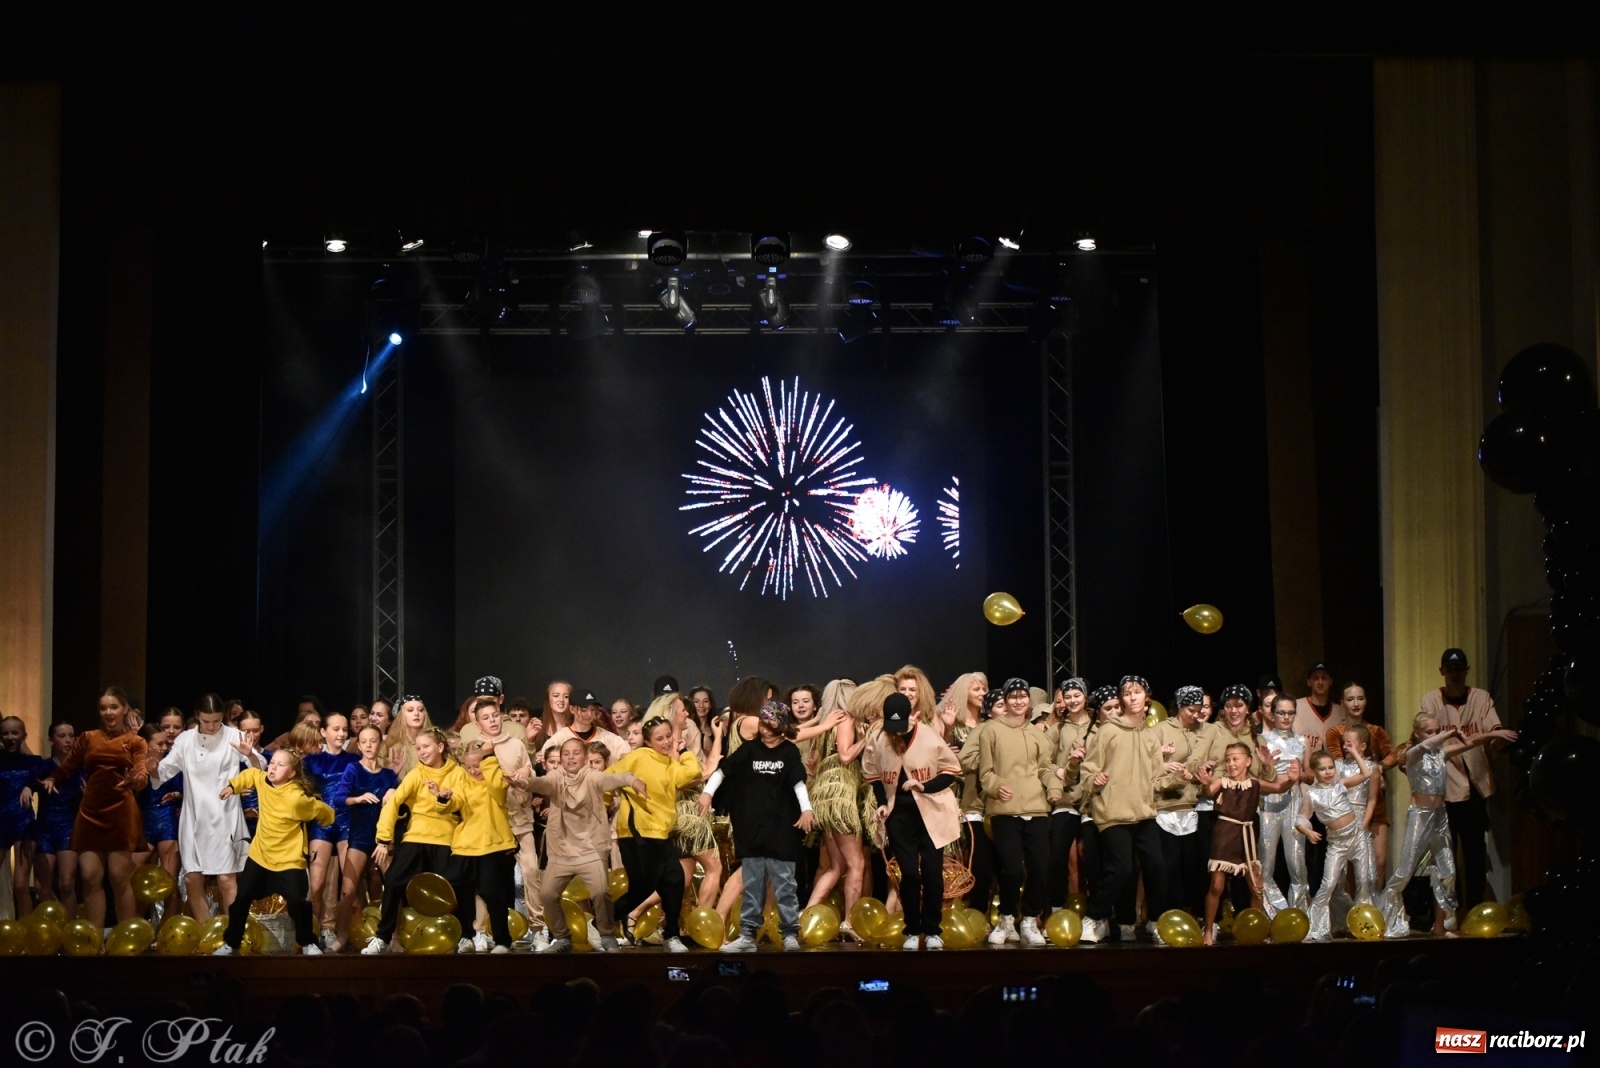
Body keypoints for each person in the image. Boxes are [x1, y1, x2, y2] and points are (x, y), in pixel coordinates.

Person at [1379, 714, 1516, 938]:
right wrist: (1450, 733)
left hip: (1440, 816)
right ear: (1418, 734)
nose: (1435, 735)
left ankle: (1440, 926)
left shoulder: (1439, 754)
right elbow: (1427, 745)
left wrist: (1494, 733)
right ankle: (1386, 915)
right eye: (1430, 731)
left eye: (1437, 730)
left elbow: (1470, 743)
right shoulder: (1413, 755)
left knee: (1447, 872)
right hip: (1420, 817)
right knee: (1406, 871)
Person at [697, 701, 814, 952]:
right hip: (751, 827)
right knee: (752, 884)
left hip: (782, 829)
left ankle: (790, 934)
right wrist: (707, 793)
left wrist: (807, 809)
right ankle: (748, 935)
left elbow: (798, 782)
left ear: (781, 727)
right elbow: (722, 771)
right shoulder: (749, 750)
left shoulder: (789, 753)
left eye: (770, 724)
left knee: (785, 884)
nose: (764, 728)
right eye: (762, 722)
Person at [43, 687, 149, 930]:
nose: (108, 712)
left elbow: (142, 774)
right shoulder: (88, 737)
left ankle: (127, 937)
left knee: (119, 877)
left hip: (121, 812)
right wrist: (52, 779)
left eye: (113, 707)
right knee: (90, 877)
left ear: (124, 710)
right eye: (103, 708)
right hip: (90, 813)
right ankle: (95, 941)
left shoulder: (135, 741)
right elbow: (68, 766)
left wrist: (135, 780)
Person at [527, 737, 646, 952]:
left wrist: (631, 780)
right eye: (566, 753)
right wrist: (524, 782)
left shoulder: (591, 776)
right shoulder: (556, 777)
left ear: (585, 758)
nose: (571, 757)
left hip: (591, 848)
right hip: (562, 850)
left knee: (601, 892)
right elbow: (542, 783)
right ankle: (563, 938)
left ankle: (607, 935)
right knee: (547, 894)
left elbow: (609, 780)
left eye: (576, 753)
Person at [863, 692, 961, 950]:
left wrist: (924, 785)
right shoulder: (878, 737)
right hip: (899, 816)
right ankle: (911, 929)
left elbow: (951, 771)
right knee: (908, 874)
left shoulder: (928, 736)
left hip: (931, 813)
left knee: (932, 875)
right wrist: (883, 803)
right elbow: (872, 775)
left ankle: (932, 930)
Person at [215, 749, 336, 955]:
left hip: (289, 860)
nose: (273, 768)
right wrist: (232, 786)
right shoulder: (263, 782)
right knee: (241, 898)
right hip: (260, 856)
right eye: (272, 763)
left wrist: (328, 818)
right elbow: (251, 774)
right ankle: (232, 943)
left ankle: (307, 942)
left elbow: (322, 810)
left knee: (298, 903)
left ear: (291, 773)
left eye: (280, 765)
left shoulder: (296, 798)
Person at [365, 726, 473, 954]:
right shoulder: (416, 773)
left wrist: (442, 798)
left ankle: (466, 935)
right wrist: (383, 839)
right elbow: (393, 805)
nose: (422, 752)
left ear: (440, 747)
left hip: (445, 838)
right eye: (419, 747)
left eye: (426, 747)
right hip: (416, 836)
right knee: (393, 881)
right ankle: (383, 937)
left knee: (456, 883)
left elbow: (460, 803)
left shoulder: (458, 774)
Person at [969, 677, 1058, 945]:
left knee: (1040, 868)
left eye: (1022, 696)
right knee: (1011, 870)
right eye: (1013, 696)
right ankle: (1006, 918)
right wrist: (997, 787)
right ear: (1005, 701)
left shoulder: (1037, 734)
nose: (1018, 701)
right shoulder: (991, 730)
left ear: (1029, 701)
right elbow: (985, 773)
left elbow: (1045, 768)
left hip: (1036, 809)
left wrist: (1054, 786)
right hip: (1004, 810)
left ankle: (1029, 920)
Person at [1076, 676, 1165, 944]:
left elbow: (1158, 779)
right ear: (1122, 699)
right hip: (1113, 812)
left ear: (1146, 696)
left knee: (1157, 867)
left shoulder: (1150, 736)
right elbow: (1089, 769)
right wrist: (1095, 779)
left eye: (1137, 692)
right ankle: (1094, 917)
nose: (1132, 697)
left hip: (1144, 812)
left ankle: (1156, 921)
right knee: (1121, 870)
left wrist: (1184, 776)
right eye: (1127, 693)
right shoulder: (1107, 731)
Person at [1420, 648, 1504, 913]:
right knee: (1445, 855)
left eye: (1459, 669)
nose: (1454, 674)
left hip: (1474, 787)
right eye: (1450, 669)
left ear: (1466, 670)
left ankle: (1475, 910)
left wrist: (1500, 738)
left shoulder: (1480, 698)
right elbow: (1425, 738)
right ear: (1442, 671)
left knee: (1475, 853)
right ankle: (1446, 915)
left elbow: (1495, 730)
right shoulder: (1431, 701)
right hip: (1443, 789)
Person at [610, 715, 702, 952]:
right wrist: (604, 804)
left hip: (661, 834)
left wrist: (683, 750)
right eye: (659, 738)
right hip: (638, 832)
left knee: (674, 881)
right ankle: (602, 920)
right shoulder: (639, 756)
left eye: (668, 736)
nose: (666, 742)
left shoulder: (671, 764)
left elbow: (692, 773)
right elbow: (608, 777)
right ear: (648, 742)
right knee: (643, 887)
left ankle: (671, 935)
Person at [1196, 742, 1300, 944]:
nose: (1231, 764)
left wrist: (1291, 780)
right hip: (1225, 836)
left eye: (1235, 759)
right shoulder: (1222, 781)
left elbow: (1279, 787)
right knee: (1217, 886)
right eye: (1227, 760)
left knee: (1256, 887)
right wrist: (1205, 782)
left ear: (1248, 761)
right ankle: (1208, 930)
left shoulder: (1255, 783)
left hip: (1247, 836)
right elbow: (1208, 791)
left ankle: (1256, 931)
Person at [804, 678, 869, 934]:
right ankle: (850, 922)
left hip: (823, 797)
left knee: (836, 865)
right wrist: (867, 738)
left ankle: (807, 914)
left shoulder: (825, 725)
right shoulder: (846, 719)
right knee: (857, 863)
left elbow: (814, 765)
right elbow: (844, 755)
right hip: (840, 796)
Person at [443, 740, 517, 953]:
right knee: (455, 885)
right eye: (470, 766)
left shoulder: (495, 780)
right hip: (466, 844)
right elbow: (455, 802)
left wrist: (489, 759)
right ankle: (466, 935)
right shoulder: (463, 781)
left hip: (492, 843)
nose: (474, 771)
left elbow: (498, 788)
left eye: (478, 765)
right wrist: (444, 798)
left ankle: (502, 940)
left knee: (491, 892)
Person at [329, 725, 398, 951]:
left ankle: (394, 937)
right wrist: (357, 799)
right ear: (359, 745)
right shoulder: (354, 769)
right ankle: (341, 936)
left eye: (373, 741)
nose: (369, 746)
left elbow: (400, 804)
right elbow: (339, 798)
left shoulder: (389, 775)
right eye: (364, 742)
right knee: (348, 891)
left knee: (393, 887)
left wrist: (394, 791)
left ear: (380, 744)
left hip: (383, 840)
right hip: (359, 837)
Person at [1297, 750, 1378, 941]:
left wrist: (1355, 753)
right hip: (1337, 842)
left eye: (1331, 767)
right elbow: (1301, 818)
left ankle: (1364, 926)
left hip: (1356, 836)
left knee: (1363, 880)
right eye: (1322, 769)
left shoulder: (1340, 784)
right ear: (1315, 772)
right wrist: (1307, 831)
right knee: (1328, 884)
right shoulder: (1312, 794)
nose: (1328, 772)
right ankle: (1316, 928)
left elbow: (1366, 774)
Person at [1153, 685, 1216, 920]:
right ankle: (1167, 916)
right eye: (1191, 710)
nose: (1195, 715)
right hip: (1165, 807)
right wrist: (1163, 764)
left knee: (1193, 868)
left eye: (1199, 710)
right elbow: (1145, 765)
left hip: (1193, 807)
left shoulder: (1205, 731)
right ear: (1180, 706)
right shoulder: (1161, 729)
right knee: (1168, 868)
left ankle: (1194, 915)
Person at [1325, 682, 1393, 883]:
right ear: (1342, 703)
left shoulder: (1376, 730)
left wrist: (1378, 768)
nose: (1356, 703)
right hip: (1348, 805)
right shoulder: (1335, 732)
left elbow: (1393, 754)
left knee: (1379, 862)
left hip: (1374, 803)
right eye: (1350, 699)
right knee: (1349, 867)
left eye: (1360, 698)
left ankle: (1377, 910)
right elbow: (1337, 762)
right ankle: (1350, 912)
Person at [303, 712, 357, 939]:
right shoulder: (311, 761)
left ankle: (348, 932)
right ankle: (313, 931)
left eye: (344, 729)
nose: (341, 733)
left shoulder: (354, 760)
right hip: (321, 825)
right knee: (316, 885)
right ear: (323, 732)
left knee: (350, 886)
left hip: (347, 824)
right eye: (336, 729)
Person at [1257, 695, 1310, 918]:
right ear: (1272, 713)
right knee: (1266, 864)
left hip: (1294, 801)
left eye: (1290, 713)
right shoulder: (1262, 739)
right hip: (1269, 802)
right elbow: (1257, 776)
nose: (1286, 717)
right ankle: (1276, 915)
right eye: (1281, 712)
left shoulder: (1302, 741)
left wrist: (1300, 775)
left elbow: (1309, 774)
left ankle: (1300, 916)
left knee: (1297, 863)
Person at [22, 721, 81, 918]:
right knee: (41, 886)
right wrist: (28, 788)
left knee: (66, 883)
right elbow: (29, 780)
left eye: (71, 736)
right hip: (45, 828)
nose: (68, 740)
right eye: (62, 736)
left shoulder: (80, 768)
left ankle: (70, 929)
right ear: (51, 740)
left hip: (69, 828)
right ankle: (56, 924)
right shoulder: (43, 765)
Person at [132, 725, 182, 919]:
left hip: (167, 821)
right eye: (159, 743)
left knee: (168, 882)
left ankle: (167, 932)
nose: (164, 747)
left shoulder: (172, 764)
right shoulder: (136, 765)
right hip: (144, 824)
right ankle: (135, 925)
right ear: (146, 744)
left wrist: (178, 794)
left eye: (166, 744)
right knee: (134, 880)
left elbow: (184, 788)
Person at [2, 716, 48, 914]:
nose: (10, 737)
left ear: (23, 735)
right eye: (5, 733)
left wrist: (30, 786)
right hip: (1, 822)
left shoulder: (34, 762)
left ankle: (27, 936)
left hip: (25, 823)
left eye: (15, 732)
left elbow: (43, 781)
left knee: (21, 886)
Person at [544, 693, 629, 766]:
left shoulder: (609, 738)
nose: (589, 714)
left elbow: (629, 757)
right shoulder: (560, 738)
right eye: (584, 710)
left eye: (592, 709)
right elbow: (545, 760)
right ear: (571, 709)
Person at [1293, 662, 1348, 738]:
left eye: (1324, 678)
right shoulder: (1296, 706)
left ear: (1330, 681)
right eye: (1315, 678)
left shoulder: (1340, 711)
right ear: (1309, 682)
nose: (1320, 682)